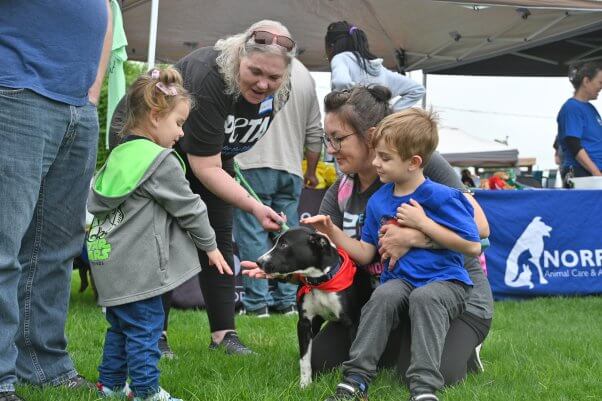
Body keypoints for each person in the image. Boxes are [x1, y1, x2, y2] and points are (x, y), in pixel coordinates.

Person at [242, 86, 492, 398]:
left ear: (370, 135)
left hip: (453, 295)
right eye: (327, 139)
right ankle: (380, 358)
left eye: (339, 138)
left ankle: (464, 345)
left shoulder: (423, 164)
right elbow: (334, 259)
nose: (330, 149)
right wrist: (278, 267)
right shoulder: (342, 190)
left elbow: (480, 228)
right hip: (392, 296)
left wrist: (415, 236)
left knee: (438, 372)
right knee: (321, 361)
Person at [303, 107, 481, 401]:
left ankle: (423, 389)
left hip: (446, 281)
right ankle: (355, 380)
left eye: (384, 158)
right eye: (376, 155)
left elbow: (472, 245)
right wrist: (332, 232)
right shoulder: (379, 201)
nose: (376, 163)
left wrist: (423, 225)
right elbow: (365, 253)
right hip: (401, 281)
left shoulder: (442, 196)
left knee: (426, 298)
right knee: (383, 296)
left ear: (414, 162)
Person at [87, 67, 232, 401]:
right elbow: (191, 207)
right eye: (179, 123)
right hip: (142, 269)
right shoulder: (159, 161)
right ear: (155, 116)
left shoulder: (119, 155)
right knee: (146, 330)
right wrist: (210, 247)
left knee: (121, 328)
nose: (181, 134)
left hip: (110, 265)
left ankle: (109, 385)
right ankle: (146, 391)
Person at [162, 20, 295, 355]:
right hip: (162, 155)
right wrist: (254, 205)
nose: (264, 83)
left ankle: (224, 336)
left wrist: (233, 180)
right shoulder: (210, 77)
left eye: (274, 78)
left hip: (210, 157)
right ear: (239, 56)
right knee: (161, 239)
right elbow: (203, 166)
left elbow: (221, 150)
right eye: (255, 72)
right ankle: (154, 336)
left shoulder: (282, 89)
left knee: (218, 236)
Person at [0, 2, 112, 399]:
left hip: (76, 107)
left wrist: (92, 95)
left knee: (57, 249)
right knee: (3, 246)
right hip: (13, 92)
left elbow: (105, 8)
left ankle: (43, 365)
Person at [234, 58, 323, 317]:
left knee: (253, 234)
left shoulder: (252, 65)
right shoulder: (304, 73)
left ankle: (256, 305)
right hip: (291, 168)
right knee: (289, 235)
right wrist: (311, 171)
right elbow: (315, 132)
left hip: (251, 161)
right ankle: (288, 302)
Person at [325, 21, 425, 111]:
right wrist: (390, 113)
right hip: (375, 129)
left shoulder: (341, 58)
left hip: (347, 127)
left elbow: (342, 82)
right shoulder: (380, 70)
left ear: (332, 46)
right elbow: (417, 89)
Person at [557, 61, 602, 187]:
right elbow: (573, 144)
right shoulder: (572, 108)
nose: (601, 87)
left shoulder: (591, 108)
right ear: (586, 81)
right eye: (600, 82)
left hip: (593, 174)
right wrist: (597, 174)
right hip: (581, 174)